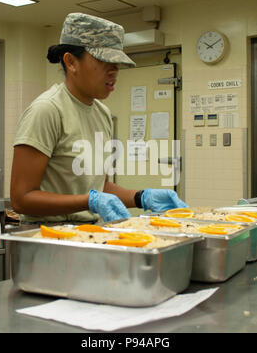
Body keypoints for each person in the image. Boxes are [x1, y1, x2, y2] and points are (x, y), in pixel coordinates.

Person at [10, 13, 187, 224]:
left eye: (117, 63)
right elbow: (21, 199)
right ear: (71, 62)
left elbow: (100, 188)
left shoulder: (101, 113)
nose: (114, 71)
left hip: (88, 233)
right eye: (105, 61)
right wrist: (89, 201)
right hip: (47, 237)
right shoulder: (47, 110)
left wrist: (141, 197)